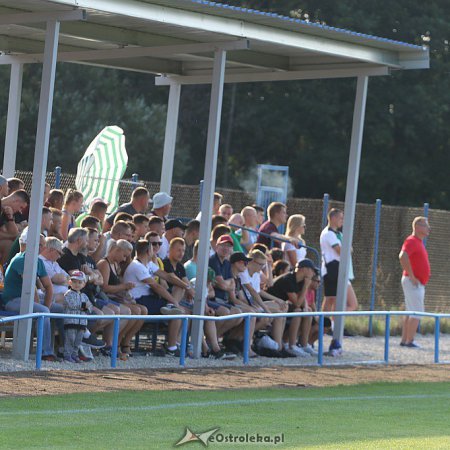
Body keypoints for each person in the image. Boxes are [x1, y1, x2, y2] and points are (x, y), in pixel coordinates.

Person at [3, 233, 57, 361]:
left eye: (43, 245)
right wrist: (44, 310)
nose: (42, 248)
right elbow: (29, 286)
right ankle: (45, 352)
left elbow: (48, 287)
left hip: (27, 300)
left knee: (59, 308)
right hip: (12, 300)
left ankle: (66, 349)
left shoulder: (38, 261)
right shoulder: (21, 260)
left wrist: (47, 307)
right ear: (30, 244)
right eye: (39, 245)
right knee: (43, 311)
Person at [267, 259, 317, 356]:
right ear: (304, 269)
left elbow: (302, 301)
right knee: (297, 311)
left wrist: (306, 307)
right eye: (312, 270)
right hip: (270, 302)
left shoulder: (301, 280)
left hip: (282, 304)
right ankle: (292, 345)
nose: (313, 273)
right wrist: (306, 286)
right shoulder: (289, 279)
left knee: (308, 312)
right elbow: (297, 303)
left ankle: (304, 345)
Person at [399, 216, 431, 348]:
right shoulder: (412, 240)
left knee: (410, 311)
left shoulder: (418, 242)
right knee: (417, 312)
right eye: (425, 225)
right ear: (417, 227)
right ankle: (409, 341)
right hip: (413, 282)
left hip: (415, 282)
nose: (428, 228)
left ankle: (405, 340)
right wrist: (412, 276)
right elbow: (402, 256)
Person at [320, 208, 358, 314]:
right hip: (332, 269)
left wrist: (347, 249)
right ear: (333, 218)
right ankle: (324, 325)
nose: (342, 220)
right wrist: (346, 249)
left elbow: (350, 249)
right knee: (330, 299)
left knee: (347, 303)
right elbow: (341, 251)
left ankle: (333, 324)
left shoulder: (339, 234)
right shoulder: (328, 233)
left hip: (341, 270)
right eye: (340, 218)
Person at [63, 271, 93, 363]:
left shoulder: (84, 296)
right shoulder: (68, 294)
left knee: (78, 341)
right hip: (71, 322)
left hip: (82, 323)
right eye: (74, 282)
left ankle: (74, 355)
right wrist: (84, 306)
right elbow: (72, 305)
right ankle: (67, 356)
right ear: (70, 282)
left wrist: (85, 307)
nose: (77, 284)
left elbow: (90, 307)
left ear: (84, 284)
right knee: (70, 339)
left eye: (80, 282)